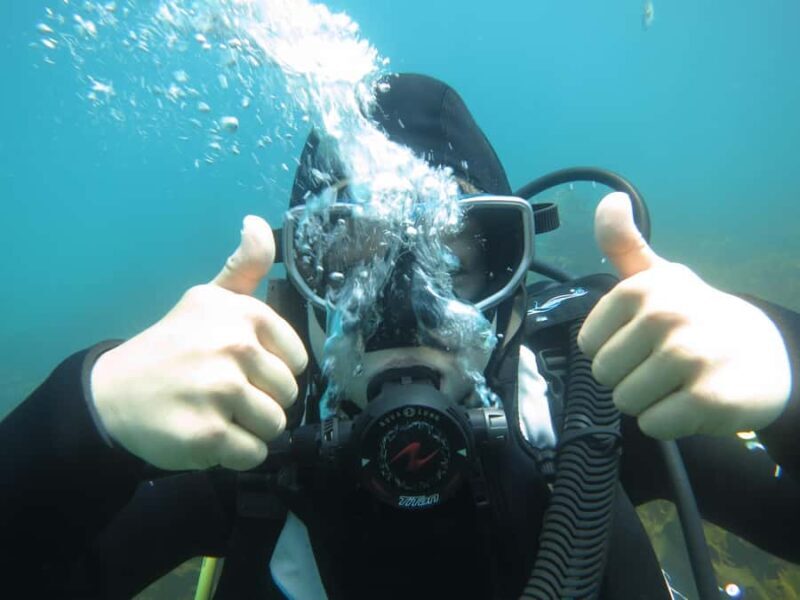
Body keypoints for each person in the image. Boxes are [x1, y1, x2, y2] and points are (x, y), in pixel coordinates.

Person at [1, 73, 799, 599]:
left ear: (512, 278)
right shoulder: (248, 452)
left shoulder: (594, 406)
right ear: (299, 287)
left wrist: (786, 369)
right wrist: (87, 419)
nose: (405, 310)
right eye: (351, 261)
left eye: (455, 258)